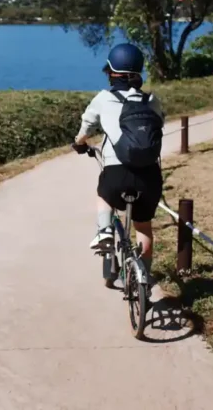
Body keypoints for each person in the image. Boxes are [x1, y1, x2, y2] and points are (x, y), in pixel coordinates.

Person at [72, 43, 164, 283]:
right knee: (143, 227)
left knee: (104, 195)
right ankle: (142, 276)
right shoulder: (151, 99)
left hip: (117, 172)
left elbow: (86, 127)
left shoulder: (103, 99)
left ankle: (104, 232)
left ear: (111, 72)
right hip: (149, 176)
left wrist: (80, 143)